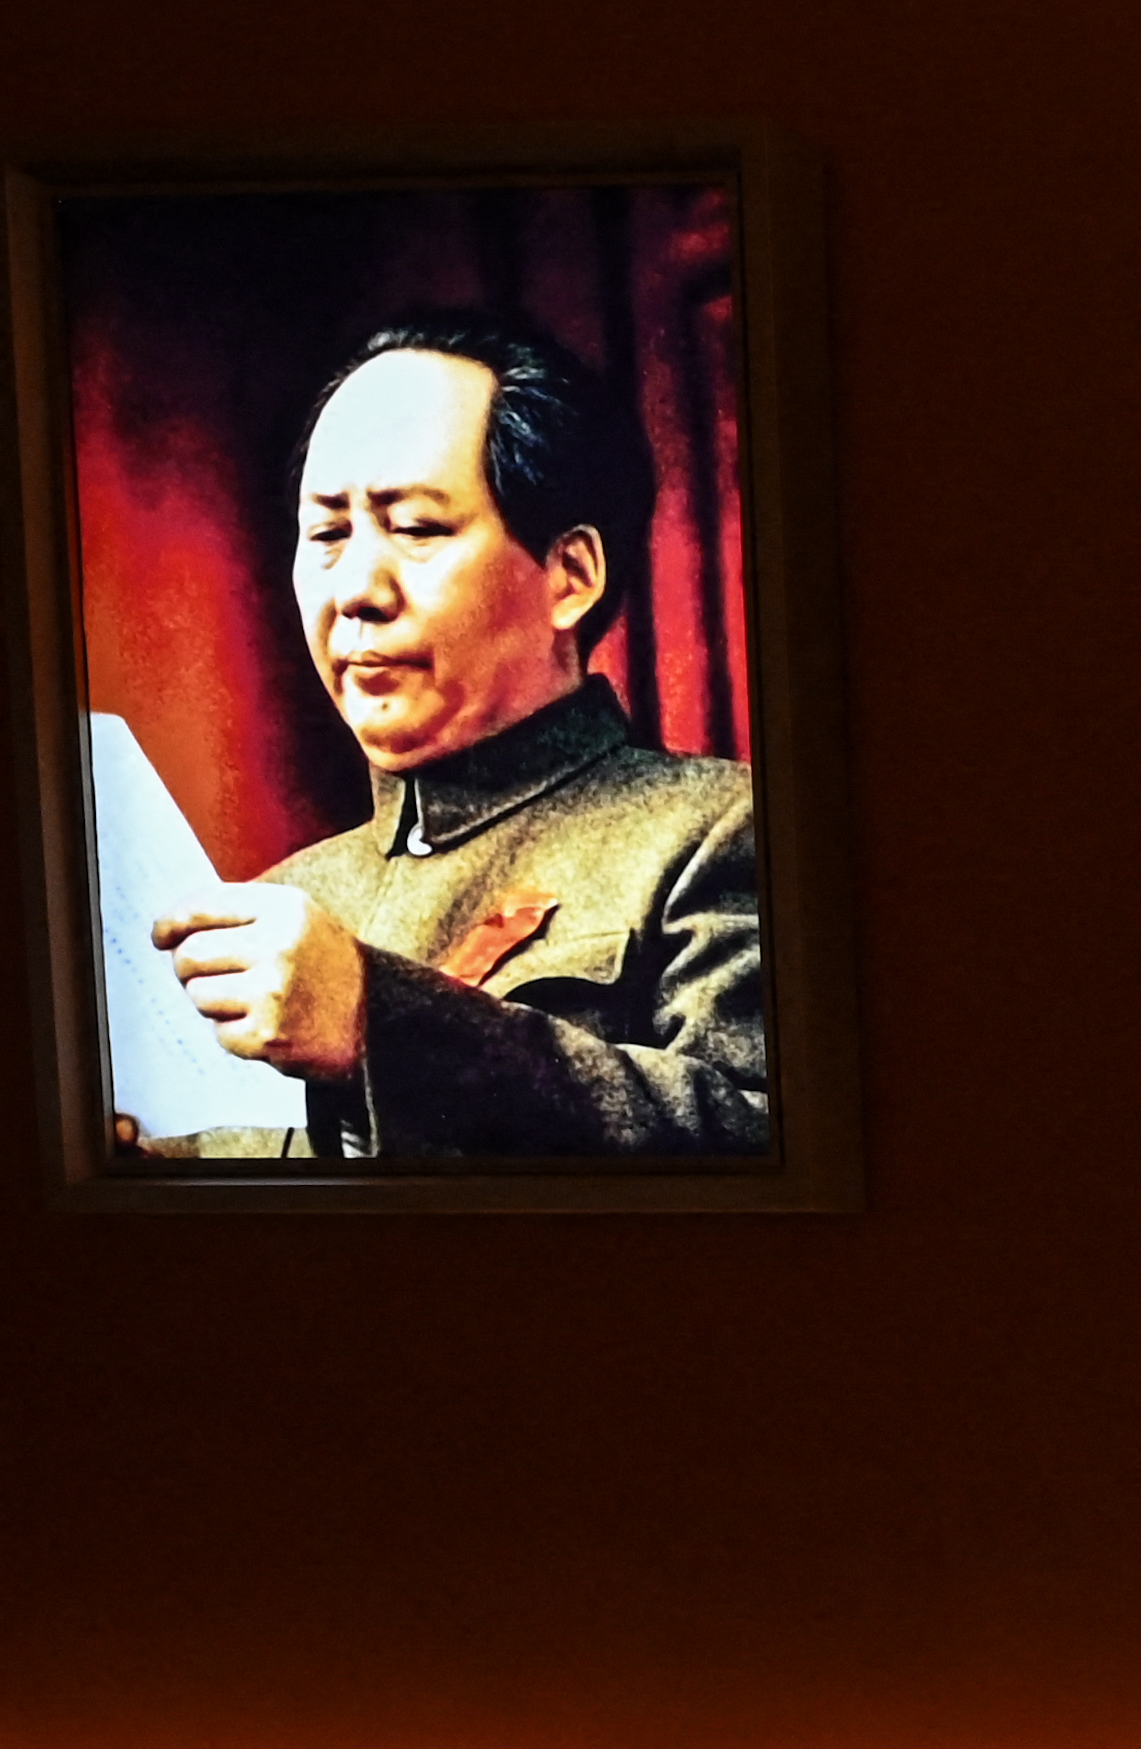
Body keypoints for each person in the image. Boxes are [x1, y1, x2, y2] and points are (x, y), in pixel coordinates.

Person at [140, 313, 768, 1158]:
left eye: (417, 529)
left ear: (570, 576)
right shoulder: (283, 902)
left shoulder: (718, 830)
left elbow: (766, 1142)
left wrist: (382, 1024)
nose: (355, 589)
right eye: (326, 534)